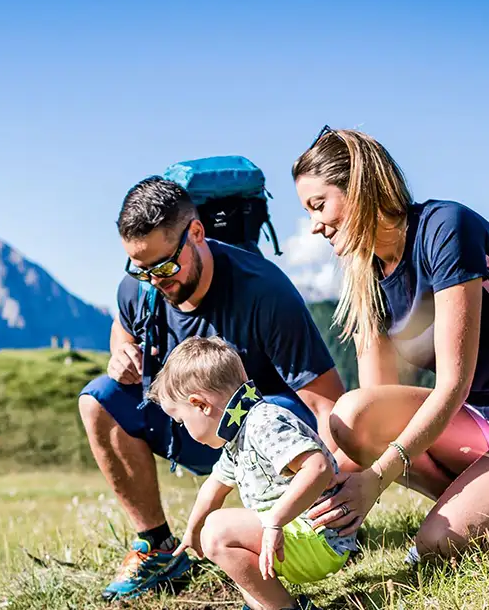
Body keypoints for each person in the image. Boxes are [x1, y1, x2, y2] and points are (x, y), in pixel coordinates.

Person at [290, 126, 489, 561]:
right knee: (352, 416)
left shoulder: (445, 228)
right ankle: (481, 507)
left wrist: (376, 480)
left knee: (437, 545)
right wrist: (314, 495)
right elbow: (376, 405)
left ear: (359, 186)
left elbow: (453, 385)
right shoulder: (368, 276)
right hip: (481, 422)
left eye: (319, 205)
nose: (314, 226)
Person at [78, 175, 347, 601]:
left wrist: (344, 491)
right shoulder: (141, 285)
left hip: (264, 438)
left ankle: (292, 524)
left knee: (276, 410)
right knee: (98, 399)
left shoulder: (263, 291)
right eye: (139, 268)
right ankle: (156, 545)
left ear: (197, 233)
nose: (152, 281)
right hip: (185, 423)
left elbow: (327, 401)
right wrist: (121, 353)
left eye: (164, 267)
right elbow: (123, 326)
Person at [151, 336, 355, 610]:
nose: (182, 430)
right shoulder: (237, 435)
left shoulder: (263, 423)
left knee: (217, 531)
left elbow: (318, 467)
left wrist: (274, 521)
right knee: (250, 586)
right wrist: (191, 531)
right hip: (295, 536)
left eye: (181, 421)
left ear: (200, 404)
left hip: (317, 535)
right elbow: (214, 485)